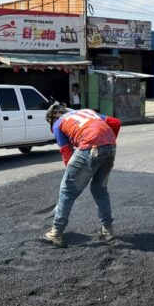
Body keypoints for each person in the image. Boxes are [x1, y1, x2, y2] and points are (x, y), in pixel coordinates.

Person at [42, 103, 122, 248]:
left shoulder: (58, 123)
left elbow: (66, 152)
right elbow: (116, 123)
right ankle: (108, 230)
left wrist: (72, 175)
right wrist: (107, 144)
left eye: (51, 122)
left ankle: (56, 233)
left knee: (67, 190)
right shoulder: (86, 111)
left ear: (54, 116)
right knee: (99, 189)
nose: (52, 125)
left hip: (90, 145)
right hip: (110, 148)